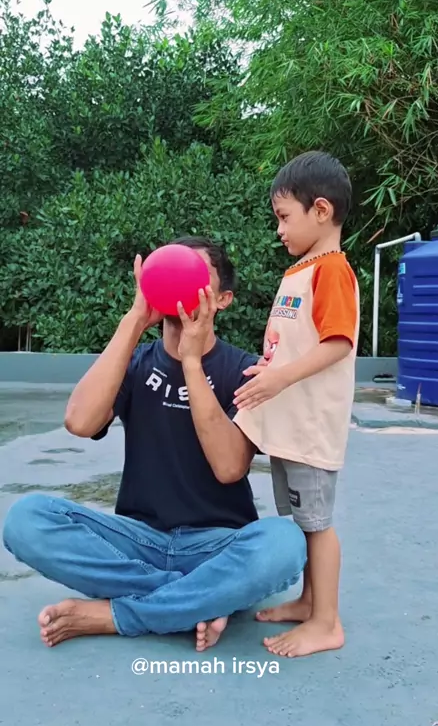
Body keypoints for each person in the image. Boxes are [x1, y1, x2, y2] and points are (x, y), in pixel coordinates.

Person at [2, 236, 306, 650]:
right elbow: (79, 421)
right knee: (26, 520)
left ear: (223, 299)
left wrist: (192, 362)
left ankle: (120, 614)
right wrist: (135, 318)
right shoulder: (135, 362)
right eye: (174, 271)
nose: (182, 283)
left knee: (284, 545)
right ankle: (198, 599)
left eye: (196, 276)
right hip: (137, 540)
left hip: (218, 545)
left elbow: (229, 467)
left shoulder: (245, 371)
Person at [233, 151, 359, 658]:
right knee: (303, 520)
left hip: (310, 427)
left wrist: (280, 378)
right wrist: (269, 369)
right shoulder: (302, 271)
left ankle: (327, 622)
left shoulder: (331, 271)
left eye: (285, 217)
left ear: (321, 210)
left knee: (318, 526)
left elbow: (338, 343)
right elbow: (293, 343)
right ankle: (310, 601)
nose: (279, 229)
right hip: (290, 425)